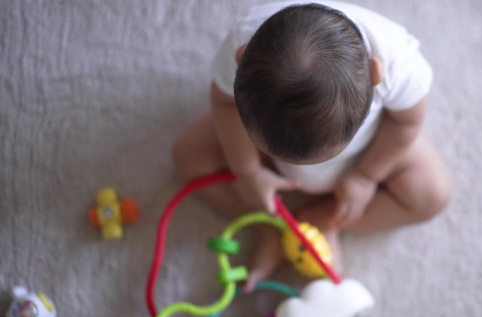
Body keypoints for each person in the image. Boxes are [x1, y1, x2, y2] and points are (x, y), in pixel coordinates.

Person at [173, 1, 451, 291]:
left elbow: (406, 123)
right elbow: (224, 104)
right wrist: (248, 172)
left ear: (375, 76)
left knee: (432, 194)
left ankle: (324, 220)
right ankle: (273, 228)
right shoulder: (243, 40)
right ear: (240, 59)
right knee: (188, 155)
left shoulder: (399, 63)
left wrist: (367, 176)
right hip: (266, 160)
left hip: (365, 154)